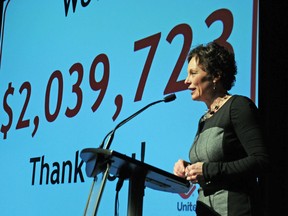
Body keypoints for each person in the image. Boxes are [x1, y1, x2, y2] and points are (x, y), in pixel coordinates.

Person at [173, 41, 270, 216]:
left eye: (193, 73)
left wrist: (208, 170)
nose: (186, 81)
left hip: (236, 209)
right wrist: (189, 168)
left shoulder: (238, 106)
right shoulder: (204, 119)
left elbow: (261, 160)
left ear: (215, 75)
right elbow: (210, 163)